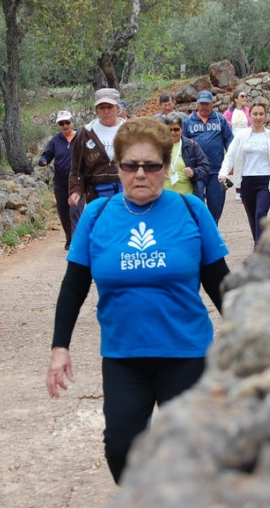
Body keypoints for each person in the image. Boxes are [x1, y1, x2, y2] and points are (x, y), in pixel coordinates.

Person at [46, 118, 230, 484]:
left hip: (187, 354)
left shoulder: (192, 210)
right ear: (118, 166)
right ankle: (144, 504)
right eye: (130, 165)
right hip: (124, 357)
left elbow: (220, 284)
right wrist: (59, 347)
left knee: (191, 450)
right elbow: (73, 286)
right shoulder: (97, 216)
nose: (140, 174)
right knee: (121, 448)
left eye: (151, 165)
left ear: (166, 165)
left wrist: (253, 337)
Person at [218, 101, 270, 244]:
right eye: (255, 114)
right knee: (252, 217)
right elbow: (230, 155)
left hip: (266, 182)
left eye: (261, 114)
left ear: (265, 116)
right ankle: (260, 245)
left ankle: (259, 249)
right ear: (249, 116)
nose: (258, 117)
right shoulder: (241, 136)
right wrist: (223, 173)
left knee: (260, 213)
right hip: (246, 181)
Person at [181, 90, 234, 224]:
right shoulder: (188, 121)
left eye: (207, 104)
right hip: (197, 170)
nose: (204, 106)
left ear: (212, 104)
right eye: (201, 104)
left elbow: (229, 140)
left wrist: (231, 161)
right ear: (197, 104)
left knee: (216, 204)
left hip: (217, 170)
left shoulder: (220, 119)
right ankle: (201, 229)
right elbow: (183, 143)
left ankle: (213, 227)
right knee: (197, 204)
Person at [68, 88, 125, 205]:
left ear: (117, 108)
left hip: (127, 190)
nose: (106, 111)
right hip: (96, 194)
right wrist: (76, 191)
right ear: (97, 109)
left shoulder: (130, 130)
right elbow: (77, 168)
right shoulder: (87, 133)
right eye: (102, 107)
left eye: (110, 107)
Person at [39, 110, 84, 250]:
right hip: (60, 182)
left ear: (72, 122)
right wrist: (44, 160)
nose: (65, 126)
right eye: (61, 123)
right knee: (64, 212)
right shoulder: (56, 140)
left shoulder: (82, 137)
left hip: (78, 181)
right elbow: (47, 154)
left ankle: (76, 241)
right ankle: (69, 239)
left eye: (67, 122)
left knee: (75, 211)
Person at [163, 113, 210, 196]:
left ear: (182, 129)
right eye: (169, 130)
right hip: (164, 197)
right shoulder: (158, 146)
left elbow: (205, 167)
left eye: (176, 129)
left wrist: (193, 172)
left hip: (187, 197)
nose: (172, 133)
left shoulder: (191, 145)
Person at [223, 87, 252, 202]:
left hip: (247, 141)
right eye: (242, 96)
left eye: (245, 96)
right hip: (234, 142)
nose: (245, 98)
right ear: (236, 99)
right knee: (237, 166)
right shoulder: (228, 113)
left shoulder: (248, 111)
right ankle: (238, 191)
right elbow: (225, 127)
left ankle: (247, 189)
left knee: (247, 165)